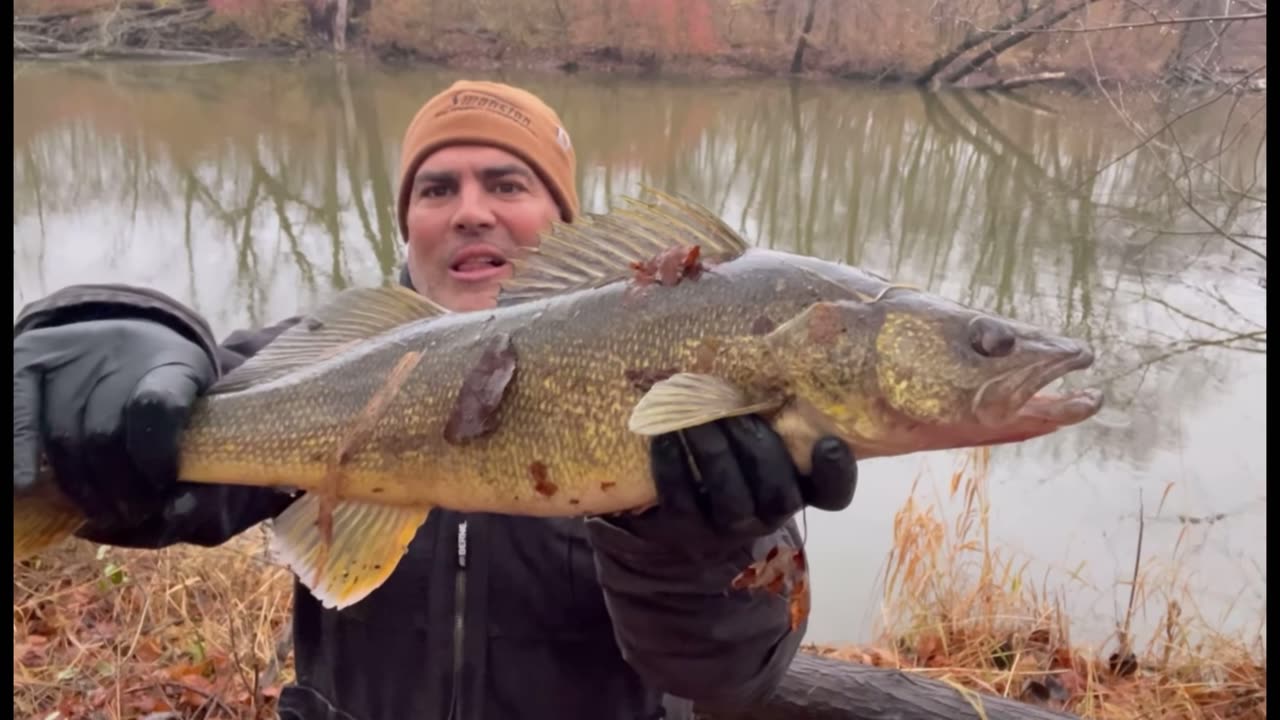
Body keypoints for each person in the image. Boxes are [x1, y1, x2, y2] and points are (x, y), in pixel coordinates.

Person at [12, 80, 859, 720]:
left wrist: (697, 548)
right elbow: (175, 439)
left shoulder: (697, 385)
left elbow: (730, 674)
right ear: (406, 225)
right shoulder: (328, 359)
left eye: (507, 183)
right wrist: (111, 341)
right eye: (436, 189)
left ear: (565, 224)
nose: (471, 212)